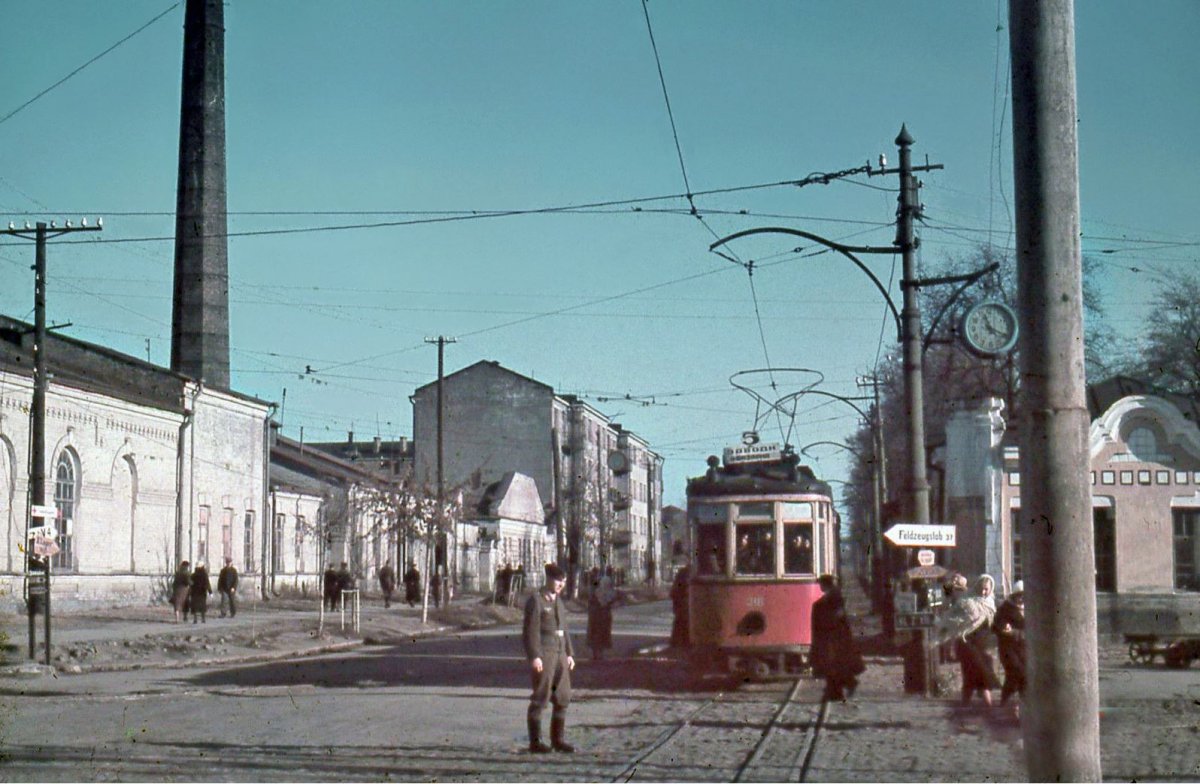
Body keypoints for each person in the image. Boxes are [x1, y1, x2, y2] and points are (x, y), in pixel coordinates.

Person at [523, 562, 576, 754]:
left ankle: (558, 740)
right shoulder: (536, 601)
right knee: (541, 695)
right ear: (548, 579)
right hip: (545, 654)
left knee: (563, 695)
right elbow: (530, 632)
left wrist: (569, 653)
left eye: (564, 581)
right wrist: (535, 656)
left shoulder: (558, 602)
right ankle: (535, 741)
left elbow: (564, 629)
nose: (561, 584)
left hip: (560, 654)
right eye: (558, 580)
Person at [934, 573, 1000, 706]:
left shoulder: (990, 603)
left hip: (982, 644)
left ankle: (969, 705)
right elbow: (952, 617)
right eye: (981, 588)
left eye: (986, 589)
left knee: (972, 674)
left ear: (991, 589)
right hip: (966, 642)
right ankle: (987, 705)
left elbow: (993, 624)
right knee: (980, 670)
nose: (983, 592)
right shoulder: (966, 600)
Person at [809, 574, 865, 701]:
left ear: (825, 584)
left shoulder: (834, 598)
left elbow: (836, 617)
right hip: (834, 638)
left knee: (833, 665)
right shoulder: (832, 597)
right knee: (834, 666)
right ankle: (839, 689)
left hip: (834, 638)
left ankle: (840, 689)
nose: (820, 587)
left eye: (821, 584)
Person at [993, 580, 1026, 715]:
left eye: (1024, 595)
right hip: (1008, 650)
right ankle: (1006, 704)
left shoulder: (1032, 608)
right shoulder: (1005, 609)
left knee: (1019, 677)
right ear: (1014, 595)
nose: (1021, 598)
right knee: (1017, 672)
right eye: (1019, 595)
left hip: (1024, 650)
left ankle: (1018, 706)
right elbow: (995, 626)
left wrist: (1017, 633)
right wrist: (1004, 628)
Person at [587, 567, 617, 660]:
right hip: (601, 612)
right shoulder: (602, 583)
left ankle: (597, 653)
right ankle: (598, 653)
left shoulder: (598, 584)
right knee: (599, 632)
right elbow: (610, 597)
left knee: (597, 632)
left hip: (598, 612)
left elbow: (592, 595)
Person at [669, 565, 691, 648]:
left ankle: (677, 643)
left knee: (679, 623)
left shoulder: (683, 574)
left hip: (681, 607)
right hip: (683, 607)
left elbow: (673, 593)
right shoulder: (687, 575)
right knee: (682, 622)